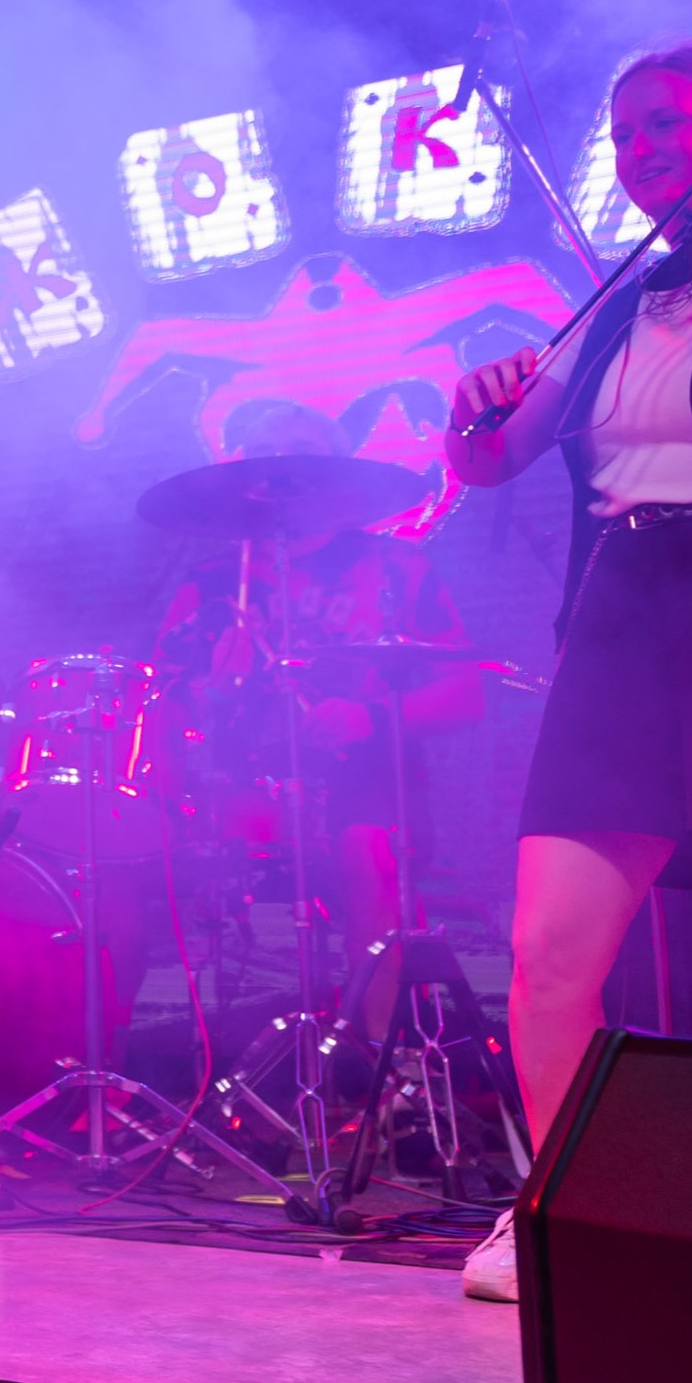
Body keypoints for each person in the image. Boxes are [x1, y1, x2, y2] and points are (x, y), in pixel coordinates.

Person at [448, 44, 692, 1303]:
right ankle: (563, 1213)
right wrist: (470, 410)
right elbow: (492, 460)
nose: (637, 149)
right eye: (623, 132)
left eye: (663, 124)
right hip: (623, 616)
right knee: (547, 952)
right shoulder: (617, 298)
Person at [155, 402, 484, 1034]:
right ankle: (203, 1054)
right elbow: (163, 712)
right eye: (268, 460)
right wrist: (213, 694)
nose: (284, 475)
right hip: (241, 786)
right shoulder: (213, 584)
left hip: (366, 781)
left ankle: (387, 1060)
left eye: (303, 458)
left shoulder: (395, 568)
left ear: (339, 475)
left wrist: (371, 718)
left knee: (366, 848)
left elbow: (465, 695)